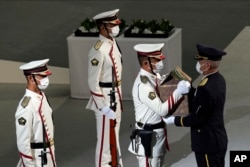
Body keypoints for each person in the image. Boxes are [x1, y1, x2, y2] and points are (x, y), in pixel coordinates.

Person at [164, 43, 228, 167]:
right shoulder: (218, 80)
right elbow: (205, 103)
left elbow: (197, 119)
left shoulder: (206, 87)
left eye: (200, 61)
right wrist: (191, 91)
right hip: (217, 139)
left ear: (207, 65)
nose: (198, 64)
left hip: (207, 143)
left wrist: (174, 120)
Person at [128, 43, 191, 167]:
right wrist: (178, 91)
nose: (160, 62)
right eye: (157, 60)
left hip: (157, 134)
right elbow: (162, 110)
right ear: (146, 63)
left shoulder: (153, 76)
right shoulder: (144, 86)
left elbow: (161, 85)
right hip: (149, 138)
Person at [85, 9, 123, 167]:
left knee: (114, 135)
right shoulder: (98, 50)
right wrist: (102, 106)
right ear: (102, 27)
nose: (116, 28)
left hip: (115, 94)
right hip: (105, 98)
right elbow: (92, 81)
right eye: (112, 25)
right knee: (104, 141)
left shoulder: (112, 42)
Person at [15, 59, 56, 167]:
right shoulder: (26, 106)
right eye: (42, 76)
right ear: (30, 78)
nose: (46, 79)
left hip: (48, 154)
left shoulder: (42, 96)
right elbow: (23, 143)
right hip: (37, 159)